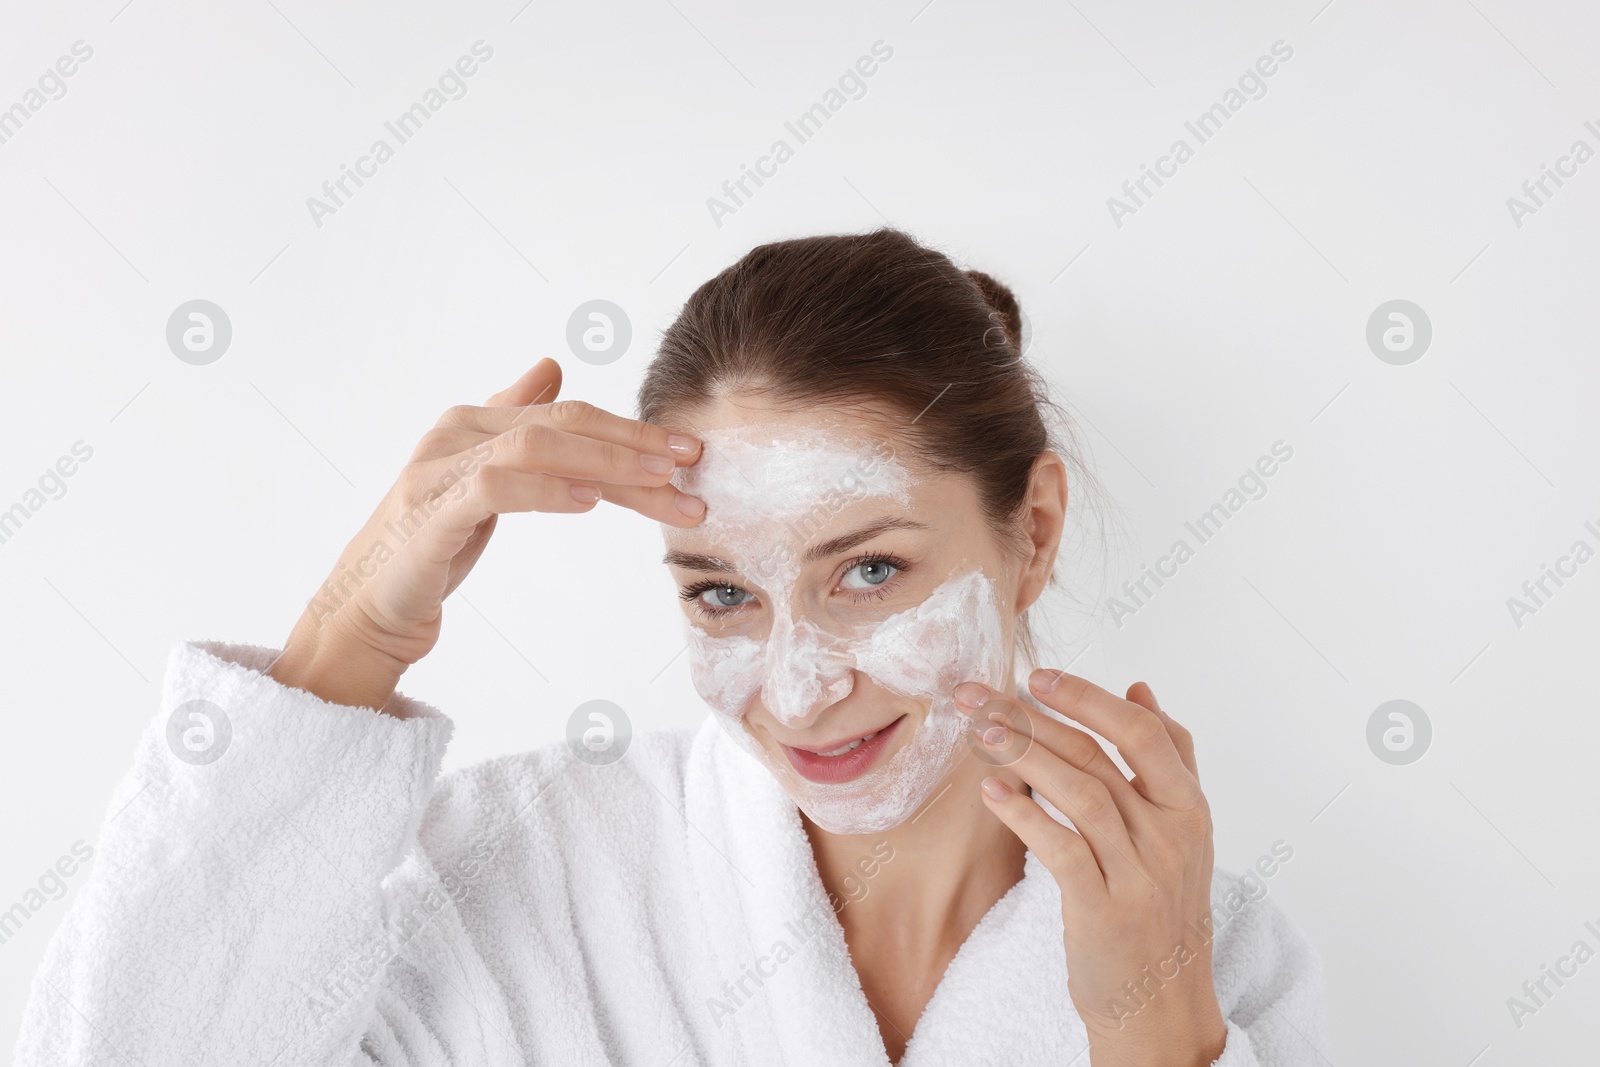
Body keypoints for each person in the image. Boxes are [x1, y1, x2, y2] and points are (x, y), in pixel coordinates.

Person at [15, 228, 1324, 1066]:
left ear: (1030, 530)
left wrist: (1148, 1031)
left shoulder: (1198, 949)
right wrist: (350, 639)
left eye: (868, 571)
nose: (799, 687)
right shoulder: (523, 877)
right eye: (721, 596)